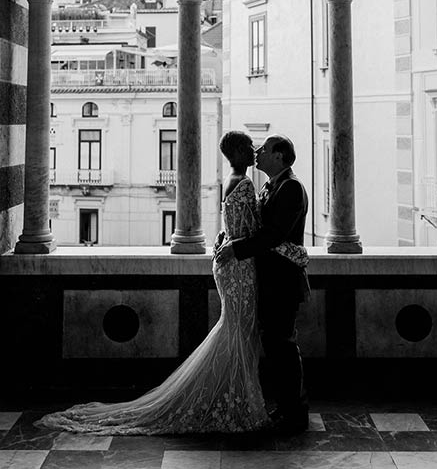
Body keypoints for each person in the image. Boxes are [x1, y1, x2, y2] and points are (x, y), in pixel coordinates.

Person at [35, 131, 270, 435]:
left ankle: (232, 398)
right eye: (250, 147)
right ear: (237, 151)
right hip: (240, 267)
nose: (255, 151)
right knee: (240, 330)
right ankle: (236, 402)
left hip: (229, 266)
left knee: (234, 329)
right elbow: (253, 229)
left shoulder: (229, 179)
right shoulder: (246, 183)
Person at [216, 133, 310, 434]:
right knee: (275, 345)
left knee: (283, 346)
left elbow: (273, 235)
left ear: (280, 156)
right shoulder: (273, 185)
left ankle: (294, 413)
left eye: (265, 149)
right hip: (271, 280)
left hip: (283, 281)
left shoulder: (291, 187)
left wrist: (236, 248)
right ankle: (286, 407)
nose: (258, 152)